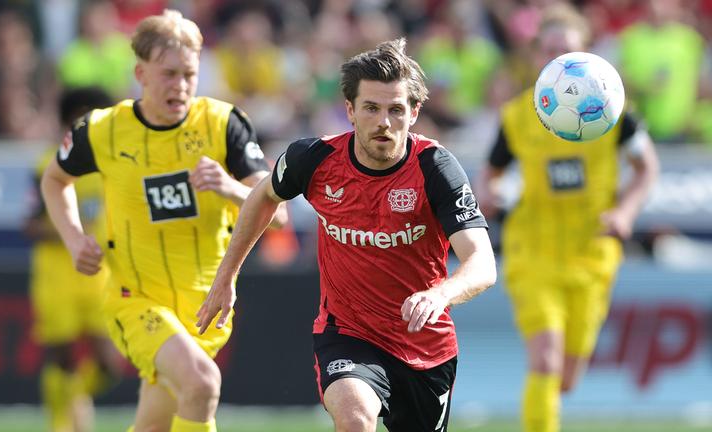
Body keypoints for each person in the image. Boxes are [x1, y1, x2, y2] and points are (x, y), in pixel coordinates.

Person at [197, 38, 497, 432]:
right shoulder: (314, 159)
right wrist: (227, 276)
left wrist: (439, 294)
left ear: (414, 113)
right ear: (350, 111)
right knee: (354, 416)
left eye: (395, 110)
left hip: (425, 346)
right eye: (371, 108)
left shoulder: (436, 169)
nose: (383, 122)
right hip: (348, 334)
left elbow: (482, 264)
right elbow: (263, 196)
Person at [41, 10, 287, 432]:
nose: (181, 86)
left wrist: (229, 189)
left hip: (204, 306)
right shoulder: (105, 130)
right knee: (202, 384)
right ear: (141, 73)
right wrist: (73, 236)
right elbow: (55, 178)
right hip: (134, 298)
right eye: (169, 74)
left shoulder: (223, 124)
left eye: (189, 74)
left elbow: (277, 215)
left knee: (155, 423)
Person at [475, 5, 659, 432]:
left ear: (587, 55)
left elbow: (647, 168)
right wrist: (490, 196)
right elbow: (491, 173)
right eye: (550, 51)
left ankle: (545, 411)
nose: (558, 59)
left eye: (568, 51)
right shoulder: (519, 116)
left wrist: (625, 212)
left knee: (567, 378)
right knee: (546, 359)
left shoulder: (613, 110)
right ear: (538, 55)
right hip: (533, 251)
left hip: (592, 252)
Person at [26, 86, 121, 432]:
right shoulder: (48, 164)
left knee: (109, 364)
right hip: (56, 273)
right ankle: (60, 425)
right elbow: (30, 225)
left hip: (99, 276)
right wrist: (73, 237)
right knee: (61, 358)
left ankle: (73, 402)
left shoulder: (113, 167)